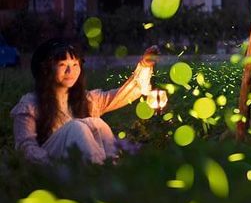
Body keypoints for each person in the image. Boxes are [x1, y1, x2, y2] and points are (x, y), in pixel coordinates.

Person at [10, 38, 155, 164]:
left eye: (75, 65)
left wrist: (145, 65)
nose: (70, 71)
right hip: (51, 164)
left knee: (97, 123)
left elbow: (121, 95)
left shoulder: (87, 100)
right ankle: (97, 174)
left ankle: (111, 169)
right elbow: (25, 146)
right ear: (48, 69)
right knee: (76, 127)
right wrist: (52, 167)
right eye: (62, 65)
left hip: (82, 164)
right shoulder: (30, 104)